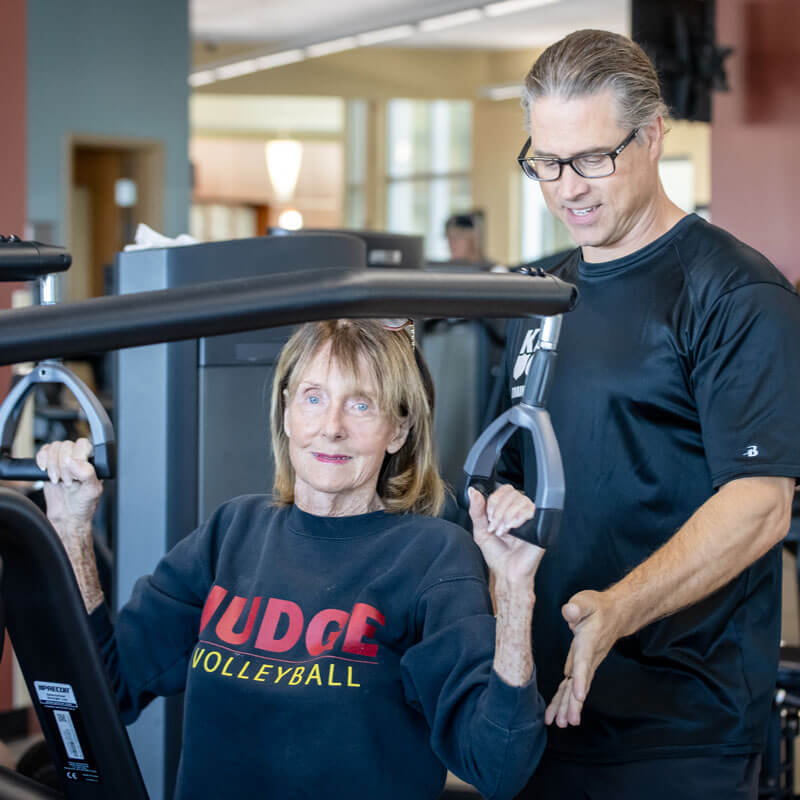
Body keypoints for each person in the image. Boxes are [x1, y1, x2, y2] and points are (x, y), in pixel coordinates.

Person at [37, 319, 547, 800]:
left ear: (399, 429)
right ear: (286, 410)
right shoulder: (231, 532)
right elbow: (106, 692)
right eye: (313, 397)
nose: (331, 428)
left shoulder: (432, 554)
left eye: (362, 405)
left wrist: (514, 592)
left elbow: (497, 767)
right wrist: (70, 529)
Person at [499, 29, 800, 799]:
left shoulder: (734, 293)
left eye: (595, 158)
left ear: (654, 133)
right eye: (548, 162)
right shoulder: (539, 295)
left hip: (681, 733)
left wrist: (618, 610)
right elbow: (513, 470)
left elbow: (760, 506)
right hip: (542, 711)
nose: (569, 187)